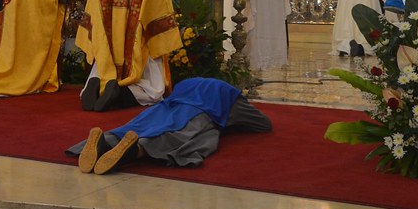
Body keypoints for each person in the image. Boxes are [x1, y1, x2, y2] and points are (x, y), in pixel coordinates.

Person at [67, 77, 272, 175]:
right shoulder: (231, 96)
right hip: (195, 113)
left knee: (137, 127)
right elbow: (263, 124)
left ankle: (104, 142)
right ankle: (134, 151)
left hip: (163, 108)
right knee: (175, 138)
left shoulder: (192, 81)